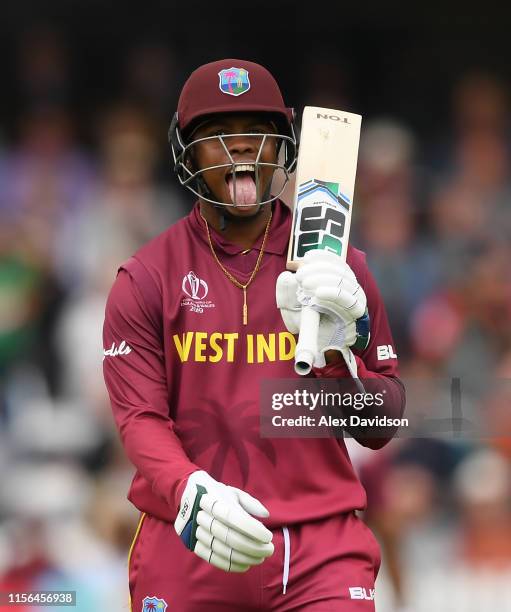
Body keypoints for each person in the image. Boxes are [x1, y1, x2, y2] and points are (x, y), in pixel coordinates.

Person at [103, 58, 405, 612]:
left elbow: (381, 425)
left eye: (257, 135)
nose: (240, 149)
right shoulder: (146, 278)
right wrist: (189, 490)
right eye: (217, 136)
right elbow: (140, 420)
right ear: (187, 153)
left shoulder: (339, 269)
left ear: (285, 147)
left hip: (322, 550)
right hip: (194, 536)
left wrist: (345, 349)